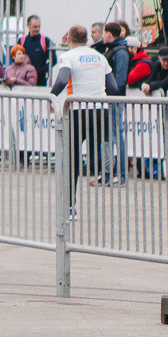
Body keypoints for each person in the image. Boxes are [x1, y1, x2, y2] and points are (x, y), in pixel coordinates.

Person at [48, 25, 112, 205]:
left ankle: (70, 205)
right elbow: (113, 86)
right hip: (101, 110)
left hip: (78, 111)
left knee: (72, 158)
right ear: (87, 40)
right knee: (96, 153)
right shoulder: (100, 57)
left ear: (68, 39)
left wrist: (51, 97)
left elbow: (61, 79)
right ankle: (104, 171)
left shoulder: (68, 56)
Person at [20, 15, 53, 84]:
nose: (37, 29)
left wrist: (42, 70)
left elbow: (53, 60)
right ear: (28, 25)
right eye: (35, 27)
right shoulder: (22, 40)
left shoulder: (45, 40)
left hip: (40, 80)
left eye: (39, 26)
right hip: (24, 80)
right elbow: (14, 57)